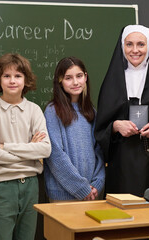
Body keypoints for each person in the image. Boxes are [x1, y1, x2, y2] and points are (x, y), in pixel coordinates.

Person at [95, 25, 149, 197]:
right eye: (129, 44)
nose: (135, 50)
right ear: (122, 46)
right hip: (121, 164)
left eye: (141, 44)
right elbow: (101, 127)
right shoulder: (112, 81)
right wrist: (116, 126)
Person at [0, 53, 51, 240]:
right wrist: (29, 149)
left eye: (18, 76)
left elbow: (45, 149)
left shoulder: (34, 110)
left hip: (30, 185)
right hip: (2, 187)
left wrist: (5, 147)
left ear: (26, 80)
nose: (12, 81)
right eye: (7, 76)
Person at [44, 57, 105, 202]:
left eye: (79, 76)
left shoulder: (91, 112)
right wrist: (81, 188)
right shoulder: (52, 111)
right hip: (63, 195)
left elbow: (99, 151)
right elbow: (55, 155)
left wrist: (97, 183)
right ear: (60, 81)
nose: (76, 82)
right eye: (68, 78)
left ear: (85, 77)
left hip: (91, 193)